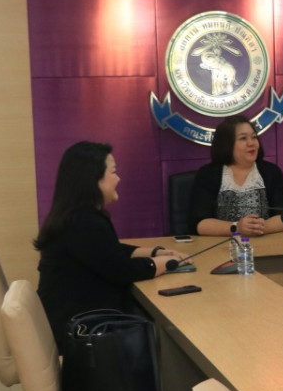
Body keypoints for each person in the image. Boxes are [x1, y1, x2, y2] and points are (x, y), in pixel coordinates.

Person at [35, 141, 187, 347]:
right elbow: (121, 270)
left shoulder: (75, 216)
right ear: (93, 179)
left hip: (75, 320)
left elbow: (109, 252)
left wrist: (154, 252)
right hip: (82, 332)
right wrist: (168, 263)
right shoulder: (84, 222)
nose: (118, 178)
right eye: (113, 172)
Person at [190, 115, 283, 238]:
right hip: (223, 246)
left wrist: (259, 227)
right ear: (227, 144)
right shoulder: (208, 174)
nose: (251, 143)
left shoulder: (270, 172)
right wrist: (237, 227)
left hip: (265, 244)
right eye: (243, 138)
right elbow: (199, 224)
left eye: (254, 137)